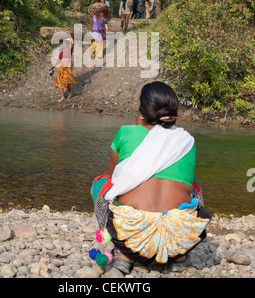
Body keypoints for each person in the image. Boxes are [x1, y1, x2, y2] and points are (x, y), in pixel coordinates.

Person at [90, 81, 211, 273]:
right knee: (193, 183)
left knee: (102, 183)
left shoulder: (126, 132)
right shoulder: (187, 141)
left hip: (129, 241)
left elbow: (114, 176)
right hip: (178, 241)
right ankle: (179, 257)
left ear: (142, 111)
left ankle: (124, 256)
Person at [51, 33, 76, 103]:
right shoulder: (61, 50)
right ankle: (62, 97)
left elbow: (73, 43)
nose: (63, 44)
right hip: (61, 66)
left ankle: (70, 92)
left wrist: (70, 36)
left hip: (67, 66)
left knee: (67, 81)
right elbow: (59, 60)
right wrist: (53, 66)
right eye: (63, 42)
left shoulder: (70, 49)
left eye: (65, 42)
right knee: (59, 81)